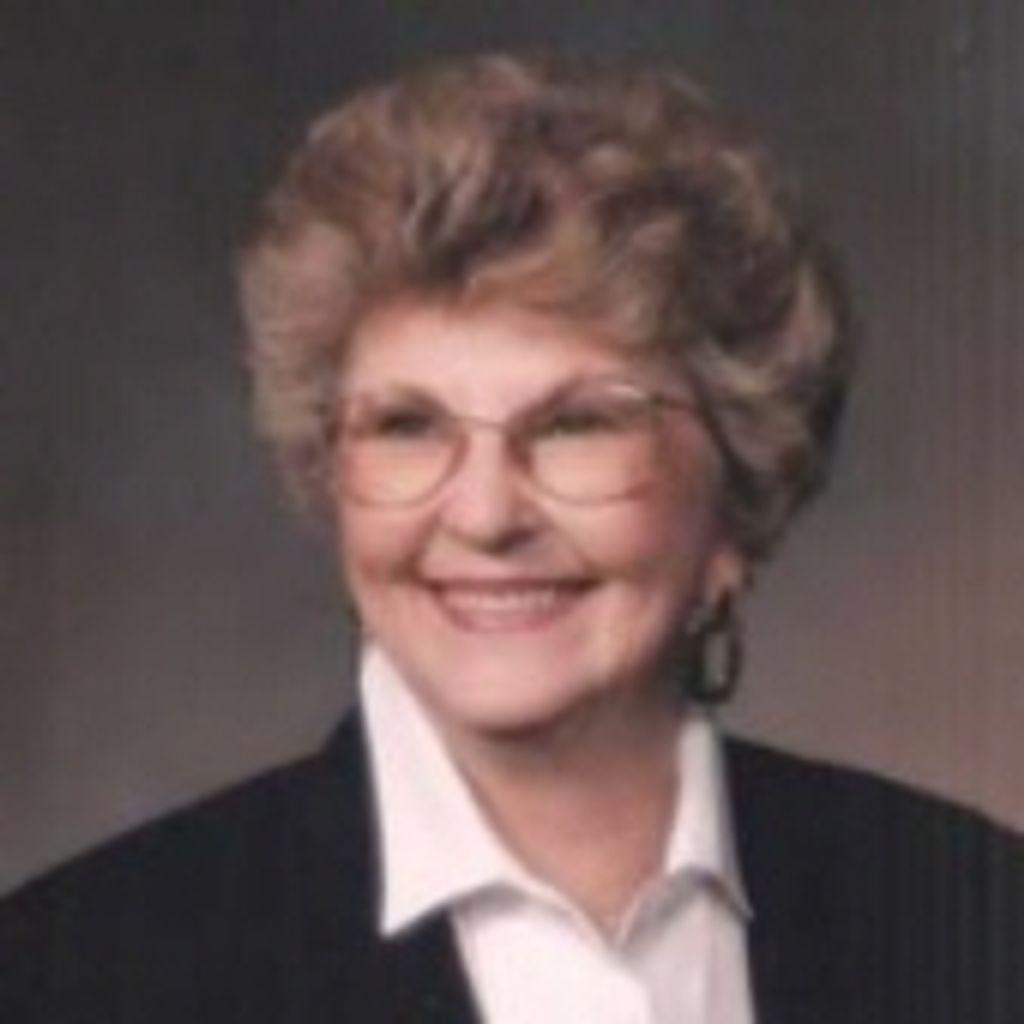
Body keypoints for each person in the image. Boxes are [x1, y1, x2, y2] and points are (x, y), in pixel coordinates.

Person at [2, 52, 1021, 1024]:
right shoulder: (74, 972)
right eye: (408, 425)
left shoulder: (976, 919)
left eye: (577, 423)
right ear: (333, 479)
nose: (486, 516)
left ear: (736, 492)